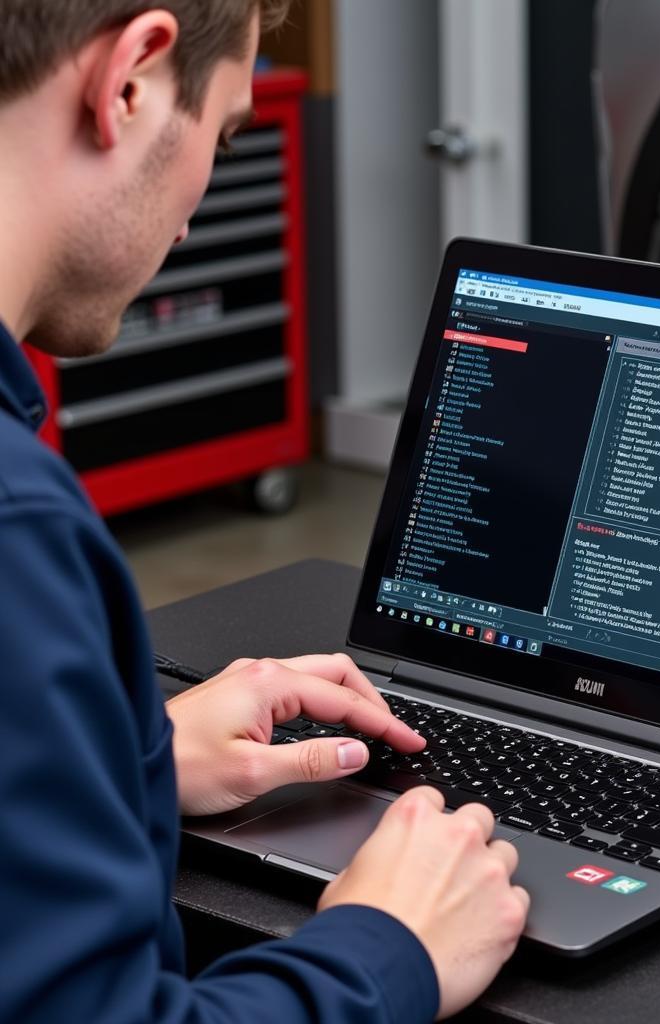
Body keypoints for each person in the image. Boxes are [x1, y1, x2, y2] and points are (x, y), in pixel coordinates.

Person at [0, 3, 529, 1022]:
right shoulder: (19, 530)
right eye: (226, 132)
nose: (197, 207)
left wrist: (133, 763)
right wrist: (386, 947)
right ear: (132, 80)